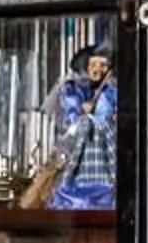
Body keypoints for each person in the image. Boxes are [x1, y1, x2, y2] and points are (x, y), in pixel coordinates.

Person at [32, 45, 118, 210]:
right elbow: (71, 120)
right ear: (86, 65)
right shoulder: (73, 90)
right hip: (82, 139)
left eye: (103, 65)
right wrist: (82, 112)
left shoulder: (111, 91)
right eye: (94, 64)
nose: (98, 70)